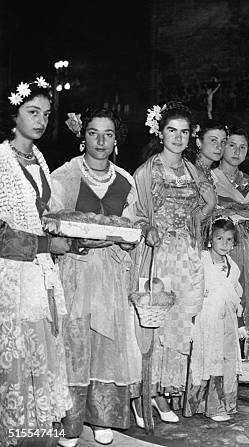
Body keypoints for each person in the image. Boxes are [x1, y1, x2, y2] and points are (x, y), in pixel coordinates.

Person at [51, 108, 141, 446]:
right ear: (82, 136)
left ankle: (102, 418)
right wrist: (76, 240)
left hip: (111, 273)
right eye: (93, 133)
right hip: (76, 270)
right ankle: (69, 421)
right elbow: (52, 221)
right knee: (74, 343)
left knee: (107, 344)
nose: (100, 141)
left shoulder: (126, 180)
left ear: (116, 139)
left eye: (107, 134)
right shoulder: (65, 176)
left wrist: (122, 236)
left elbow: (132, 227)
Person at [133, 101, 216, 422]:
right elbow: (136, 212)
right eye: (172, 131)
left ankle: (165, 393)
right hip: (156, 255)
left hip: (186, 255)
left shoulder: (194, 172)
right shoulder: (147, 171)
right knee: (154, 321)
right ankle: (144, 394)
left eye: (184, 132)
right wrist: (148, 227)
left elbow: (208, 204)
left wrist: (197, 219)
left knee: (180, 322)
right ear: (160, 132)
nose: (179, 138)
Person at [0, 76, 71, 446]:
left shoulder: (39, 158)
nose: (41, 120)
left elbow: (43, 212)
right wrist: (46, 243)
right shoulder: (1, 161)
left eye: (45, 113)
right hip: (12, 273)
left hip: (41, 271)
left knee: (40, 354)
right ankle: (15, 434)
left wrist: (70, 237)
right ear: (13, 115)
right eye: (32, 112)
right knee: (18, 358)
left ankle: (37, 433)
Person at [188, 218, 247, 422]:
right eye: (219, 238)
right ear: (210, 239)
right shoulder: (202, 260)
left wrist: (240, 323)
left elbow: (237, 296)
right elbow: (193, 287)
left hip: (227, 319)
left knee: (226, 361)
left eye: (229, 239)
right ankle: (206, 405)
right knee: (208, 358)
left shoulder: (233, 267)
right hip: (207, 317)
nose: (224, 243)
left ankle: (225, 404)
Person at [212, 127, 249, 327]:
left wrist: (237, 214)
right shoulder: (210, 177)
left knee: (241, 288)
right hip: (219, 241)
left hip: (246, 244)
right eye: (231, 145)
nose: (237, 151)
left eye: (243, 147)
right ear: (222, 146)